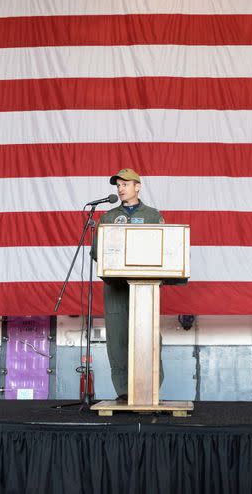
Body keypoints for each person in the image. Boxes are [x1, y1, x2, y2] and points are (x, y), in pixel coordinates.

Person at [92, 168, 165, 401]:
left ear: (138, 186)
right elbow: (96, 252)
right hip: (116, 288)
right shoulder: (108, 217)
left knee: (148, 337)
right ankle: (124, 392)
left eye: (125, 184)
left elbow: (165, 248)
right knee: (118, 338)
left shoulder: (153, 216)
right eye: (118, 185)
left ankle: (150, 389)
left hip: (146, 287)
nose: (120, 188)